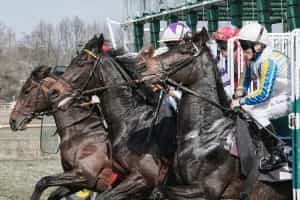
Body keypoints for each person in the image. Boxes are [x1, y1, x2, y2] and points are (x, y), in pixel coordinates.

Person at [231, 23, 290, 171]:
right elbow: (246, 78)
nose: (243, 50)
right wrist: (240, 91)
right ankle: (261, 145)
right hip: (279, 95)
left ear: (258, 46)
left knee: (256, 112)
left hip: (293, 97)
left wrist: (240, 101)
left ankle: (278, 153)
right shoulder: (254, 58)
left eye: (244, 46)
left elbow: (264, 93)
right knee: (247, 108)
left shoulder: (267, 61)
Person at [212, 26, 240, 100]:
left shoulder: (240, 58)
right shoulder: (218, 59)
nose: (219, 48)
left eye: (223, 45)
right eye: (218, 44)